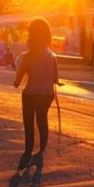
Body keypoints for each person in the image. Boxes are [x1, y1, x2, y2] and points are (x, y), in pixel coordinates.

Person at [12, 17, 59, 171]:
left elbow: (17, 82)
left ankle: (27, 153)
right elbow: (56, 80)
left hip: (30, 94)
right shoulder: (53, 57)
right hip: (46, 95)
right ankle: (41, 151)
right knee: (42, 120)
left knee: (28, 124)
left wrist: (18, 76)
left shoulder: (27, 57)